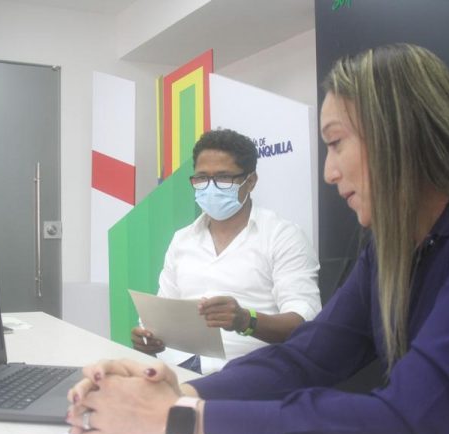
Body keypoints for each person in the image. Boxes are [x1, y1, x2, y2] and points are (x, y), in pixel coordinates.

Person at [66, 43, 449, 434]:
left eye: (337, 143)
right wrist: (178, 390)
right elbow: (307, 357)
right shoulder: (390, 246)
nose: (328, 171)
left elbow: (404, 418)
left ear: (400, 133)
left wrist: (172, 420)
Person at [132, 128, 321, 374]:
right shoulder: (182, 240)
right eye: (201, 178)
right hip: (177, 369)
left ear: (250, 181)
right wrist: (148, 337)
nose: (211, 188)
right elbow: (160, 316)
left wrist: (246, 320)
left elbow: (304, 323)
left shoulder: (282, 236)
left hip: (249, 371)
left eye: (223, 178)